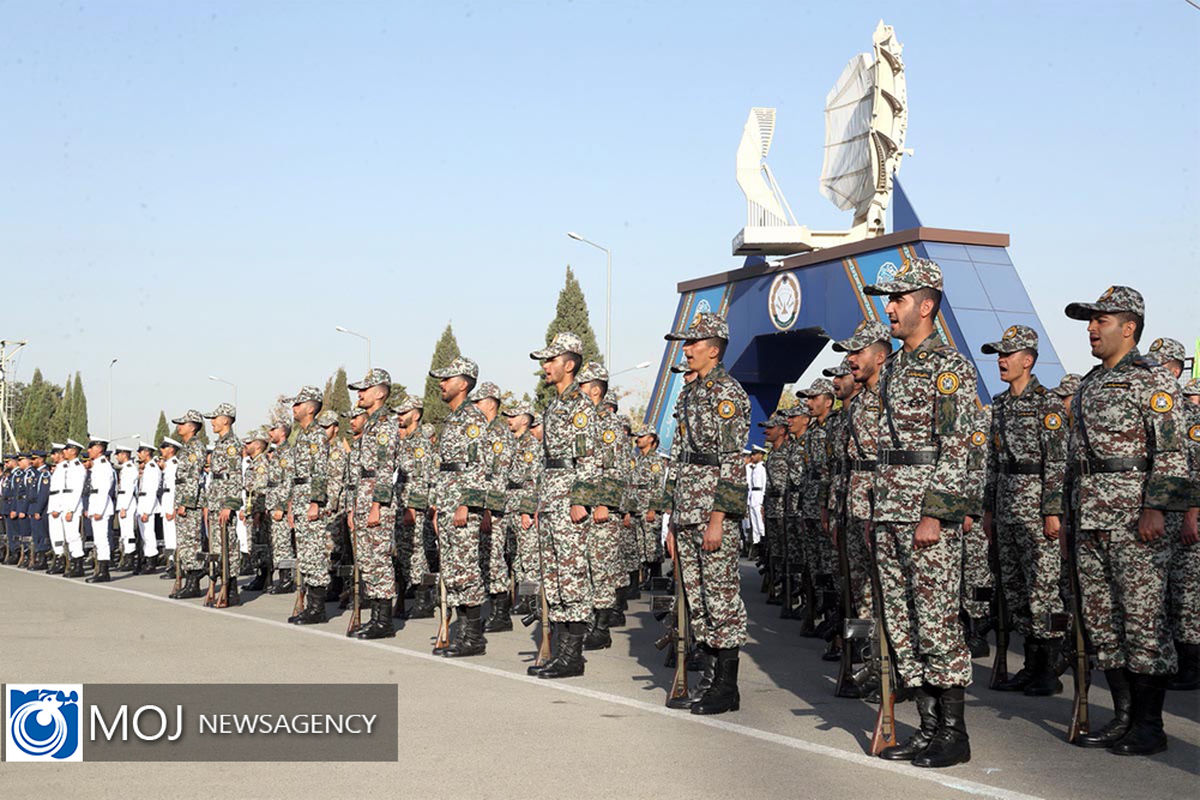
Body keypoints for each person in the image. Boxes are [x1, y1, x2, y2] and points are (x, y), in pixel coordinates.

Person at [1063, 287, 1191, 756]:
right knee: (1103, 623)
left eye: (1101, 320)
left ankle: (1149, 725)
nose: (1092, 328)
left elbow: (1173, 453)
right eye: (1089, 321)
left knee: (1142, 621)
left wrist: (1156, 507)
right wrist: (1066, 517)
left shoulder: (1153, 380)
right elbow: (1074, 458)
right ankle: (1122, 716)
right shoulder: (1090, 383)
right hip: (1091, 518)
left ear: (1129, 327)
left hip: (1136, 522)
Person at [864, 258, 977, 768]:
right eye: (888, 300)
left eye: (899, 299)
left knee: (935, 621)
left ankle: (954, 733)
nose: (889, 307)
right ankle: (928, 728)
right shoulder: (894, 369)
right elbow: (885, 446)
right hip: (889, 507)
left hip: (924, 512)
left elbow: (958, 448)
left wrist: (936, 513)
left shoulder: (947, 367)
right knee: (903, 621)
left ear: (926, 305)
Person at [661, 312, 750, 715]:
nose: (687, 348)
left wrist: (718, 518)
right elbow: (680, 460)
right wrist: (672, 521)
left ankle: (726, 686)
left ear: (713, 349)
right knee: (698, 599)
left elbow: (733, 462)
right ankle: (711, 676)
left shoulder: (727, 394)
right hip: (687, 510)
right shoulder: (690, 394)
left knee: (721, 598)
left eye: (693, 343)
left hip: (713, 511)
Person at [981, 325, 1067, 696]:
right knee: (1014, 589)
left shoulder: (1047, 404)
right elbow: (991, 461)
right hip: (1006, 505)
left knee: (1043, 588)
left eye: (1008, 355)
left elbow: (1058, 461)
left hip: (1036, 508)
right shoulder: (999, 404)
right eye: (999, 355)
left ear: (1028, 360)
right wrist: (988, 509)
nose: (1001, 360)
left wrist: (1052, 510)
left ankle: (1049, 666)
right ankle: (1031, 665)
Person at [527, 332, 600, 678]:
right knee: (554, 574)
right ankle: (559, 649)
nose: (545, 366)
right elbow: (546, 460)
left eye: (551, 360)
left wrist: (581, 500)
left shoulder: (580, 406)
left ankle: (573, 655)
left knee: (571, 573)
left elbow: (588, 457)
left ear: (569, 365)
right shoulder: (554, 404)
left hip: (570, 493)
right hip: (552, 494)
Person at [427, 357, 490, 656]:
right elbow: (446, 470)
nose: (441, 383)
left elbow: (478, 465)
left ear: (463, 384)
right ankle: (462, 632)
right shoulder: (453, 419)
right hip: (449, 500)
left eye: (447, 379)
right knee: (453, 569)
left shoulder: (473, 419)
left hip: (462, 503)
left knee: (466, 569)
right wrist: (440, 508)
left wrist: (466, 504)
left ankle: (473, 637)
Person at [346, 369, 401, 640]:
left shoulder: (385, 424)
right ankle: (376, 616)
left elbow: (385, 467)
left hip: (376, 498)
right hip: (364, 494)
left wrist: (377, 505)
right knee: (367, 559)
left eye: (364, 389)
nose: (359, 394)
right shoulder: (370, 424)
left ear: (379, 392)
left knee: (378, 558)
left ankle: (384, 620)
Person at [280, 388, 330, 624]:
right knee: (305, 554)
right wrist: (291, 503)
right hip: (300, 497)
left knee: (314, 553)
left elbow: (320, 471)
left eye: (298, 404)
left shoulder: (317, 435)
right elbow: (295, 475)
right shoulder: (301, 435)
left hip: (310, 498)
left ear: (311, 408)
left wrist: (315, 502)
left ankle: (317, 607)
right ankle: (310, 603)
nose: (294, 408)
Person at [470, 381, 516, 633]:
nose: (474, 407)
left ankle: (501, 613)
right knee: (484, 556)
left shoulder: (499, 434)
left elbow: (498, 476)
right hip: (483, 505)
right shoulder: (483, 431)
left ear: (489, 403)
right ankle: (496, 608)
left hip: (494, 508)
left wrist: (488, 509)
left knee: (494, 557)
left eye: (477, 402)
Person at [502, 401, 541, 616]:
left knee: (529, 555)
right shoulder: (510, 443)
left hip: (521, 502)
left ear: (525, 420)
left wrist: (527, 509)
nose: (509, 419)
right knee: (514, 553)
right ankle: (519, 595)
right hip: (508, 502)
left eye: (513, 415)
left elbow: (533, 479)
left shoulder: (531, 446)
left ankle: (530, 600)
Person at [170, 411, 208, 599]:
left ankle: (194, 582)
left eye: (182, 424)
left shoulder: (195, 447)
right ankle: (189, 579)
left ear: (192, 427)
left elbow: (193, 477)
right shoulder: (187, 447)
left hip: (190, 503)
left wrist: (185, 503)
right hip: (183, 499)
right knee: (184, 543)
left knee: (191, 542)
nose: (179, 427)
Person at [84, 436, 116, 583]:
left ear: (98, 449)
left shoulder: (103, 465)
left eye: (91, 447)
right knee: (98, 540)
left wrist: (99, 510)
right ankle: (100, 570)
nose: (89, 450)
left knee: (102, 540)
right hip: (96, 505)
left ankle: (104, 572)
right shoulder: (97, 465)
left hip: (101, 508)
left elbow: (103, 489)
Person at [134, 443, 162, 574]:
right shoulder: (147, 468)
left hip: (147, 505)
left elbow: (152, 491)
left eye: (140, 451)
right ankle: (146, 559)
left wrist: (147, 511)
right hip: (142, 503)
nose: (138, 454)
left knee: (149, 534)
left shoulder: (152, 468)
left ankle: (151, 562)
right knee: (144, 535)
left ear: (147, 452)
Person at [113, 443, 139, 571]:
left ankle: (130, 557)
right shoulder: (125, 468)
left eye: (118, 454)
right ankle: (126, 556)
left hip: (127, 503)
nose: (117, 457)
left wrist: (124, 507)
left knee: (128, 532)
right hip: (123, 502)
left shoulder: (129, 468)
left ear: (124, 454)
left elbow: (128, 490)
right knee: (124, 532)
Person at [158, 438, 181, 580]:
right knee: (168, 537)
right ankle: (171, 563)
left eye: (164, 447)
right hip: (166, 503)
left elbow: (174, 489)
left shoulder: (174, 465)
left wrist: (173, 508)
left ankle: (176, 566)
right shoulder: (168, 465)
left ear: (171, 449)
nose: (161, 450)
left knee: (173, 537)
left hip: (170, 504)